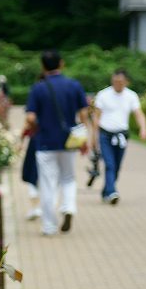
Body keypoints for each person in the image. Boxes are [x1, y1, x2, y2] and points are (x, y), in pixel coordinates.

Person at [24, 50, 92, 236]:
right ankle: (68, 207)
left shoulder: (38, 88)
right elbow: (84, 113)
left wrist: (37, 126)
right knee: (68, 178)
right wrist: (84, 136)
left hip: (45, 142)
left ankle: (49, 226)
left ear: (43, 66)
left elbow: (30, 117)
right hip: (69, 142)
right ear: (61, 64)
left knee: (47, 184)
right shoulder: (73, 85)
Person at [91, 69, 146, 205]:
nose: (117, 84)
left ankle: (106, 190)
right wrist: (94, 137)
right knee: (109, 164)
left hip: (122, 135)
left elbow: (138, 114)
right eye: (115, 81)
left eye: (120, 82)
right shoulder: (103, 95)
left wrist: (143, 128)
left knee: (116, 165)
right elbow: (96, 117)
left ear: (126, 82)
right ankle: (112, 192)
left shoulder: (131, 96)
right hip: (105, 134)